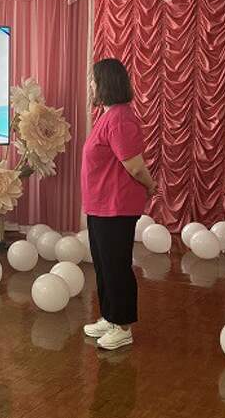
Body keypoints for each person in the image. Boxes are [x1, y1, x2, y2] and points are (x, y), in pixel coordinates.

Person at [81, 58, 157, 350]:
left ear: (106, 83)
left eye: (94, 80)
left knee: (116, 267)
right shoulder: (108, 115)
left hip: (116, 207)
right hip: (100, 206)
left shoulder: (121, 118)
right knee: (103, 265)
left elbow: (134, 166)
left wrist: (151, 186)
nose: (91, 85)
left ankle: (123, 326)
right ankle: (110, 317)